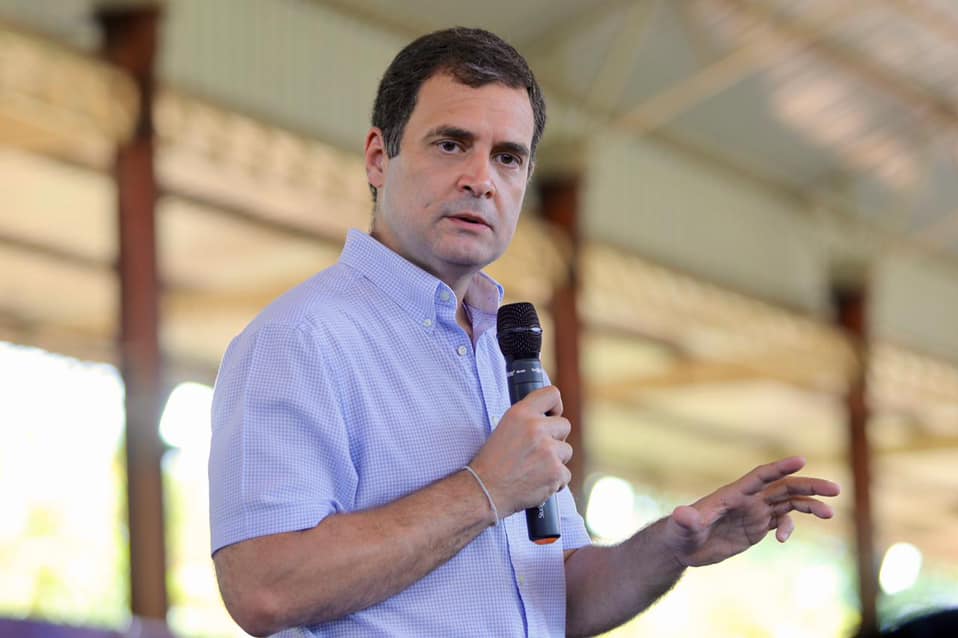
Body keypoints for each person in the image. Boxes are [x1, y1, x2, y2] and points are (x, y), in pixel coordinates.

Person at [208, 27, 840, 637]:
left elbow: (558, 598)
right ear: (378, 157)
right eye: (451, 144)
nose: (481, 179)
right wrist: (484, 489)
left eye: (507, 157)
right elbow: (263, 587)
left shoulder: (501, 352)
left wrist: (674, 545)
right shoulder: (301, 339)